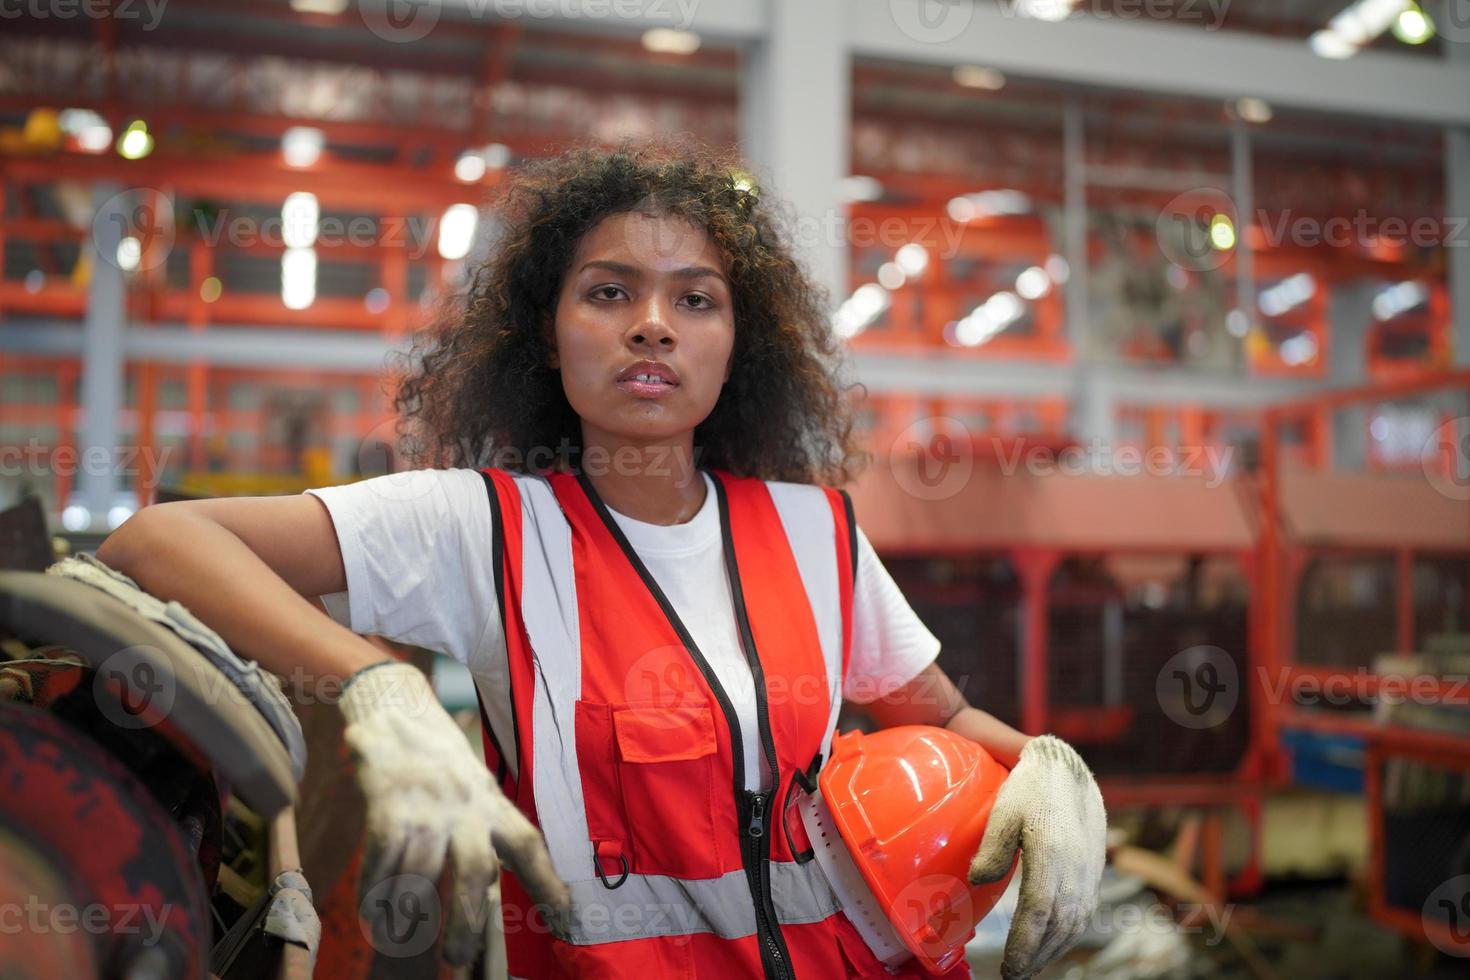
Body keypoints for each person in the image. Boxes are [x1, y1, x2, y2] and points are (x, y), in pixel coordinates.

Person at [97, 139, 1105, 980]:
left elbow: (937, 715)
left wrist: (1050, 766)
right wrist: (376, 689)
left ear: (734, 341)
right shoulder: (483, 529)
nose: (653, 323)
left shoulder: (816, 533)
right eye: (610, 292)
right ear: (548, 333)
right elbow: (156, 541)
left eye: (696, 299)